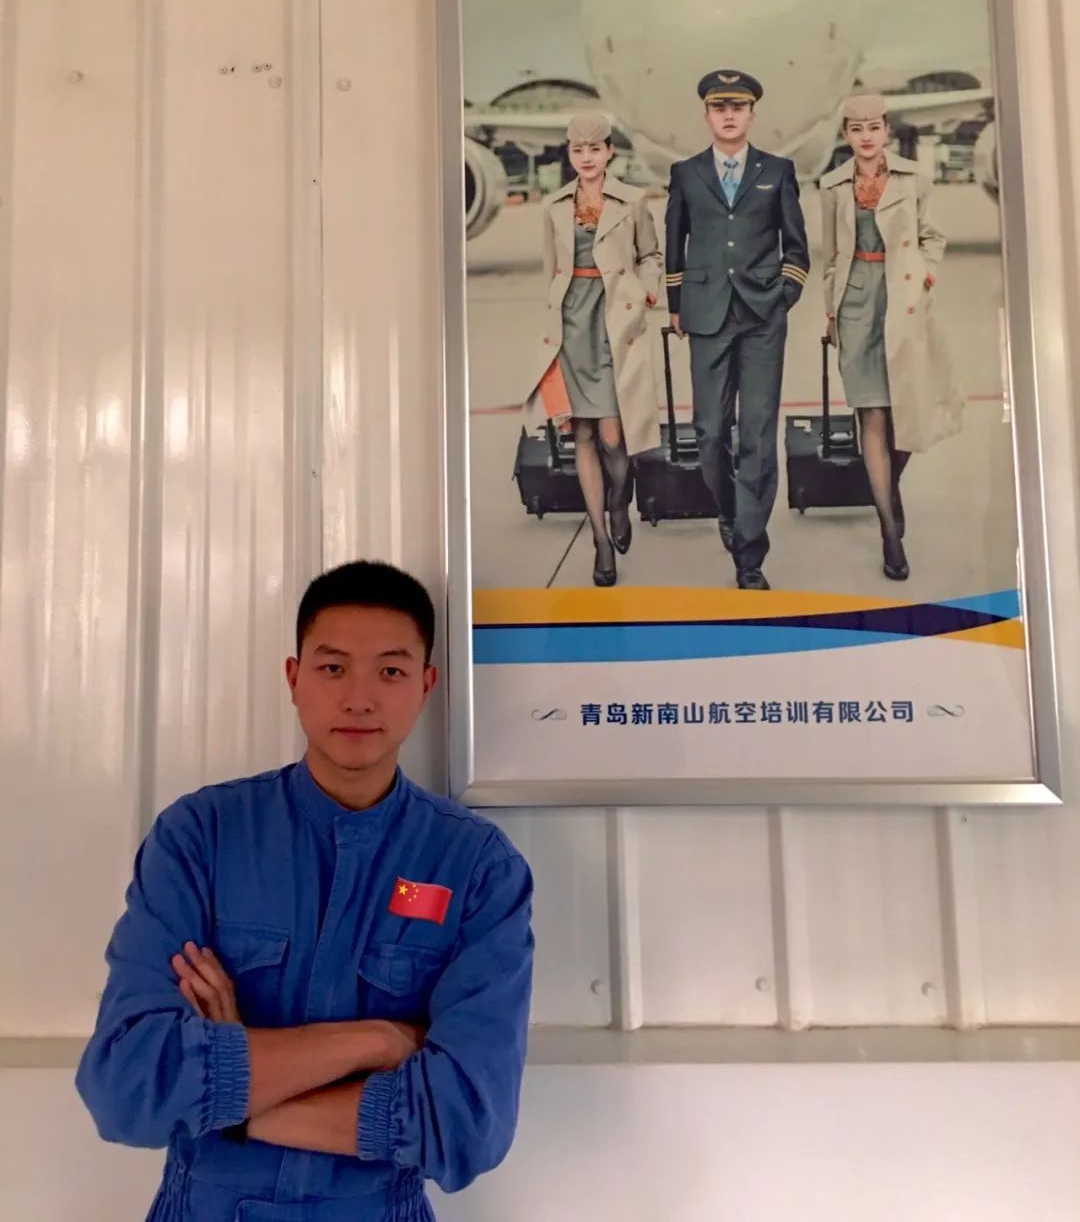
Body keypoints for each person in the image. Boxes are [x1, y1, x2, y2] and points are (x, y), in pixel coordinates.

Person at [76, 561, 534, 1221]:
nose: (359, 698)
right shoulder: (200, 837)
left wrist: (235, 1098)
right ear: (294, 678)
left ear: (426, 685)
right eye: (333, 667)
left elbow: (467, 1123)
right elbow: (125, 1088)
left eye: (391, 671)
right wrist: (379, 1040)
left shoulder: (476, 867)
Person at [665, 70, 810, 590]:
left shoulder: (778, 170)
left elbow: (797, 248)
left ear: (752, 114)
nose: (728, 116)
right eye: (719, 107)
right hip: (707, 315)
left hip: (762, 318)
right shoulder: (686, 173)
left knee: (758, 435)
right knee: (708, 433)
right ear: (707, 114)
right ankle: (728, 510)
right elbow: (674, 244)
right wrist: (677, 306)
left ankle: (749, 555)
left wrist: (782, 296)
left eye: (738, 107)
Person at [820, 94, 963, 581]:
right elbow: (831, 256)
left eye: (874, 127)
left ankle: (889, 488)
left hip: (904, 299)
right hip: (855, 303)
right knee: (872, 412)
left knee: (905, 411)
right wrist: (831, 311)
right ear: (846, 134)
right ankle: (889, 532)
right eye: (856, 128)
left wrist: (925, 277)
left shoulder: (914, 178)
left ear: (886, 130)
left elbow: (933, 237)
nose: (866, 136)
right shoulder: (832, 186)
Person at [527, 112, 662, 586]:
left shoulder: (632, 201)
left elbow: (651, 255)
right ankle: (601, 541)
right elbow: (551, 271)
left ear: (609, 152)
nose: (586, 158)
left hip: (614, 322)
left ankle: (619, 503)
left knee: (611, 436)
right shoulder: (553, 206)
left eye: (594, 149)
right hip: (571, 326)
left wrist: (646, 291)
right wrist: (550, 324)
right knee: (582, 433)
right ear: (570, 155)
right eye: (577, 150)